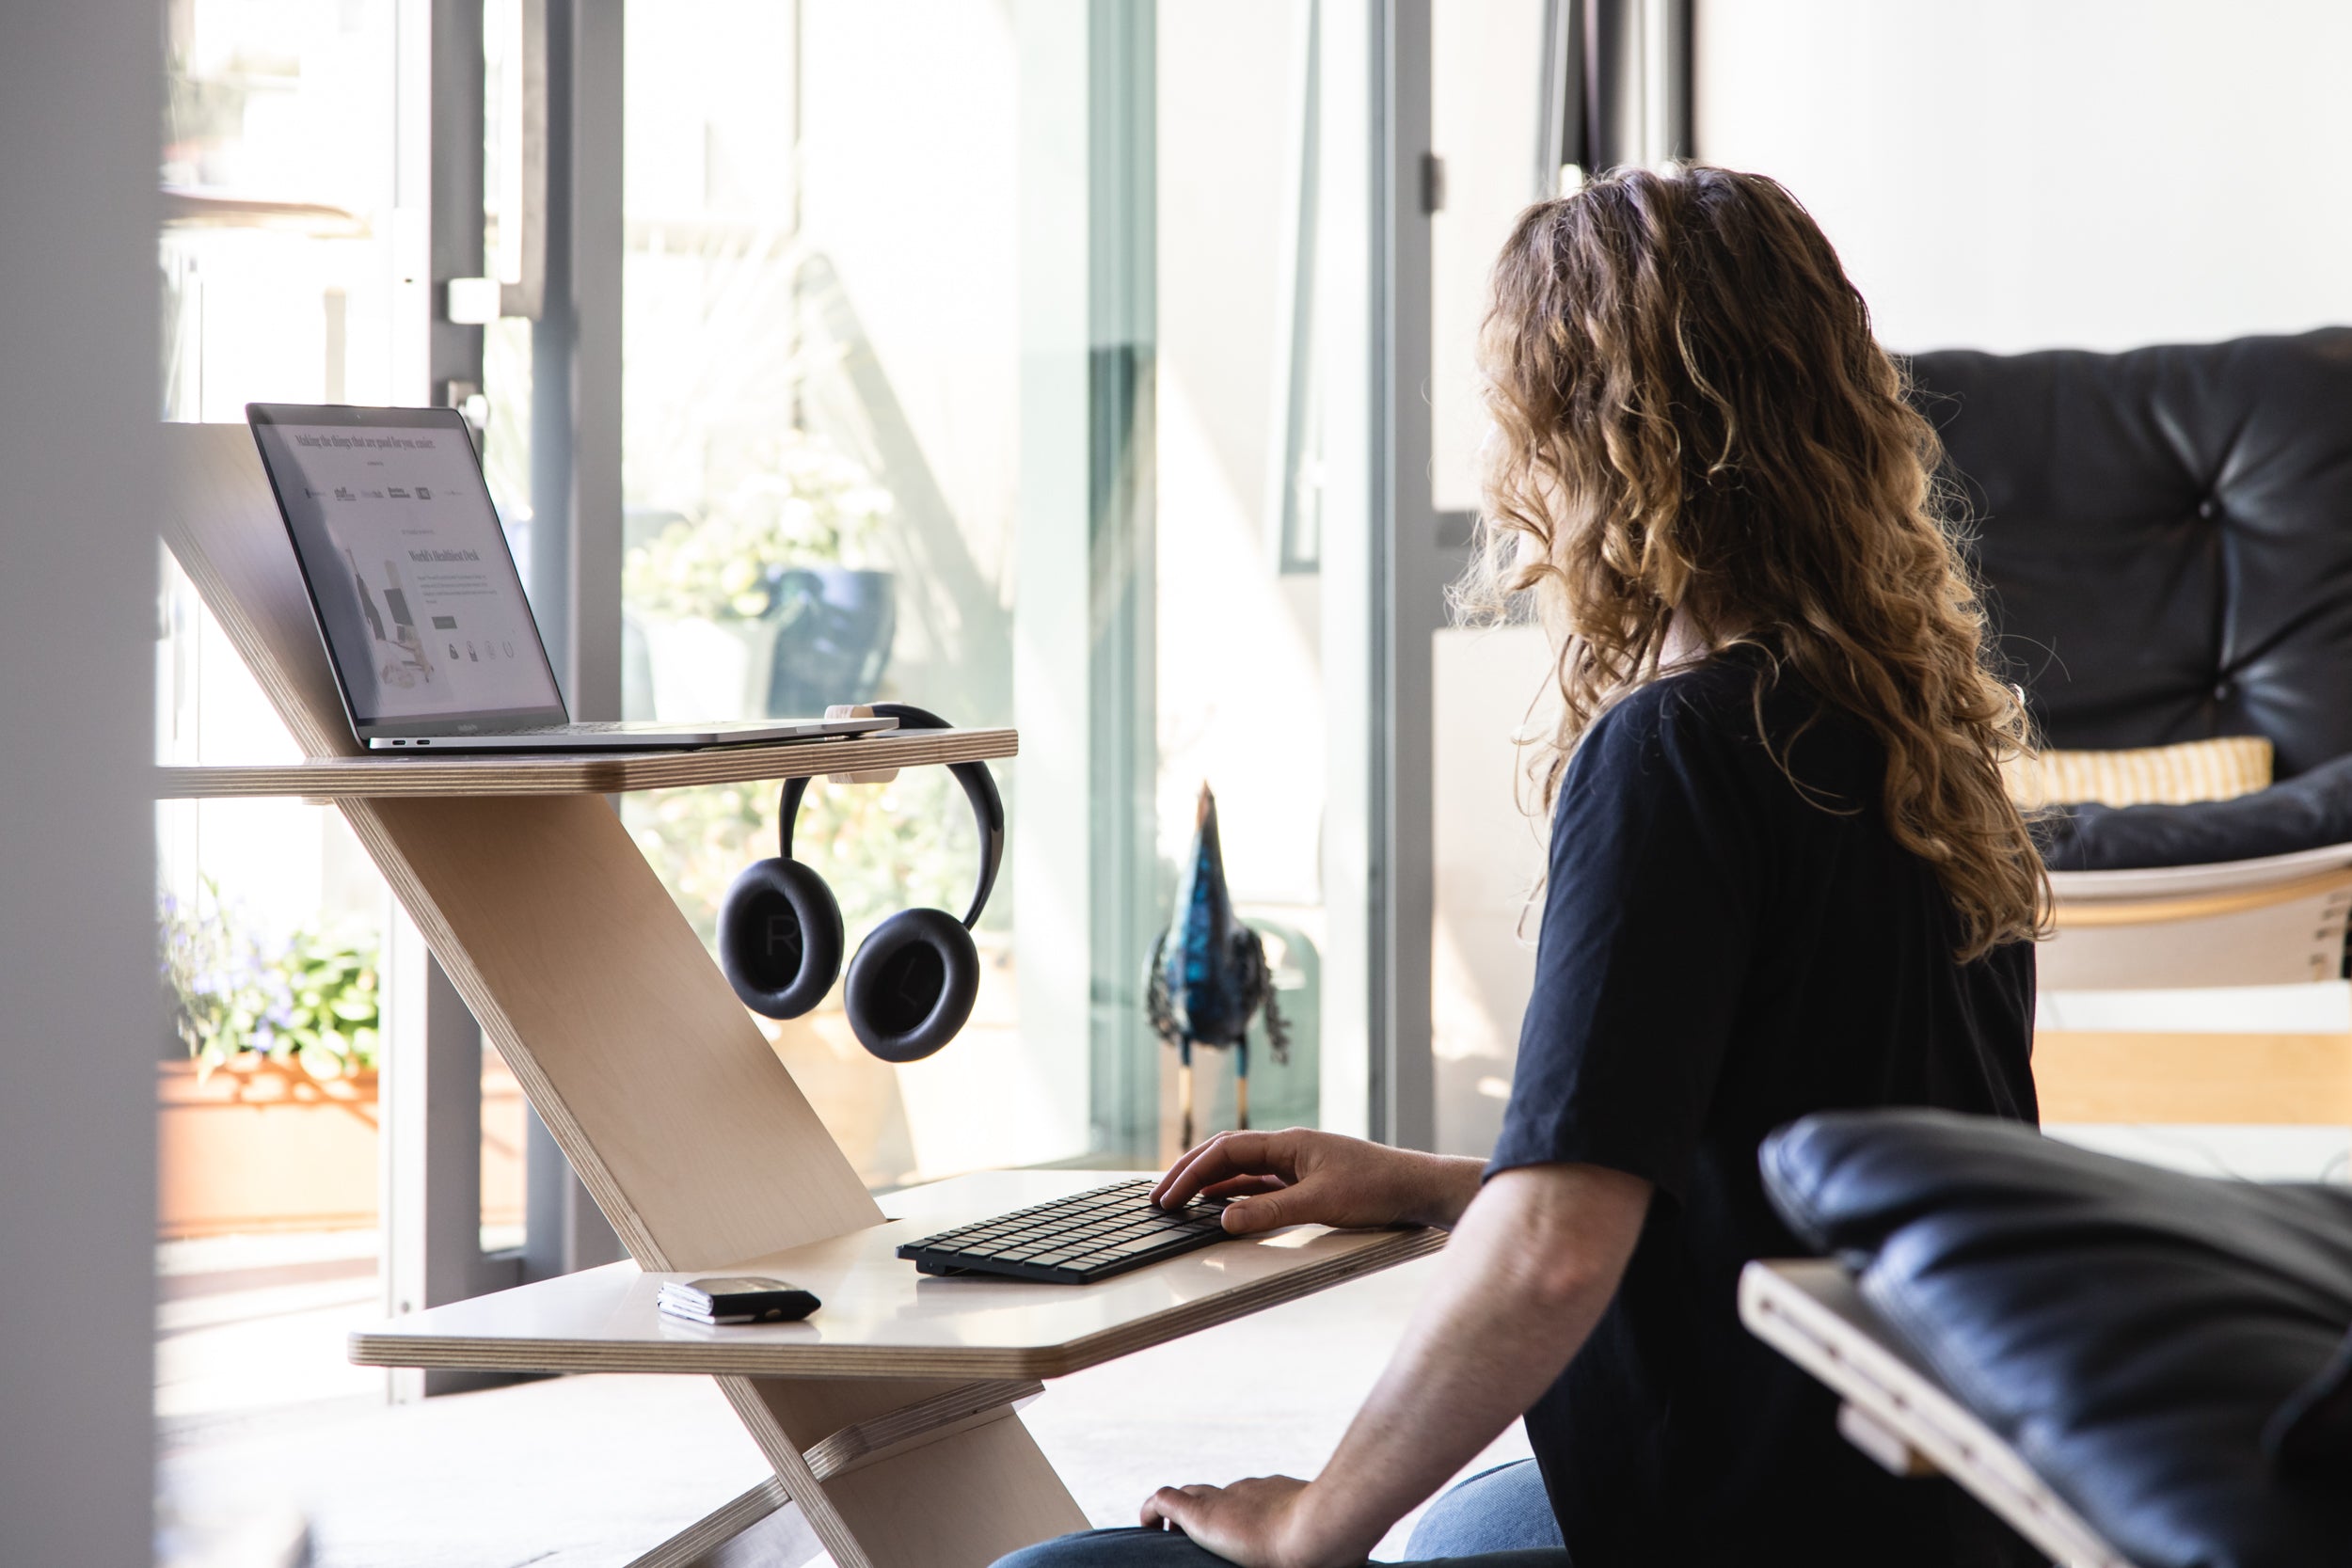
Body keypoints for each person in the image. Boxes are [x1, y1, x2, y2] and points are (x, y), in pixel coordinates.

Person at [995, 164, 2047, 1568]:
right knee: (1469, 1518)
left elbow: (1556, 1255)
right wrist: (1445, 1185)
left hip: (1748, 1523)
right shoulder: (1910, 741)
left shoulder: (1672, 750)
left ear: (1587, 441)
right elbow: (1768, 1156)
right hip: (1934, 1503)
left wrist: (1310, 1524)